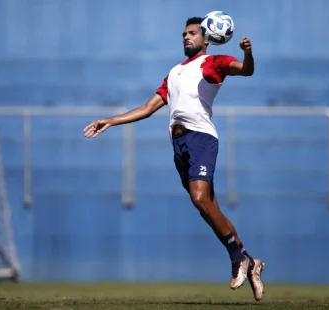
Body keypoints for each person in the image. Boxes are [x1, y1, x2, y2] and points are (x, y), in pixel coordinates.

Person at [83, 17, 265, 301]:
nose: (186, 37)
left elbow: (246, 70)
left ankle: (237, 259)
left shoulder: (215, 62)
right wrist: (111, 120)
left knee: (199, 198)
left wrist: (248, 53)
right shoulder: (174, 73)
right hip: (179, 145)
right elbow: (147, 107)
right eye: (183, 34)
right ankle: (250, 262)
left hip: (201, 137)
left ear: (207, 39)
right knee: (206, 207)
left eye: (192, 33)